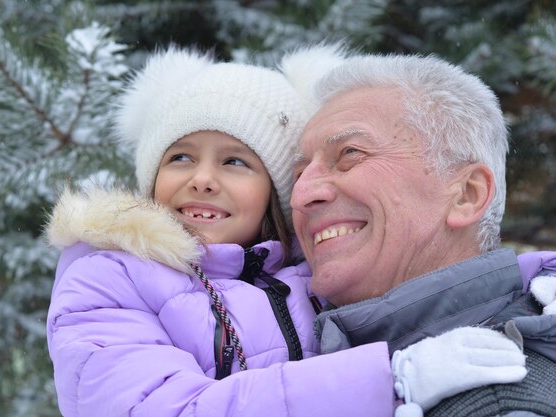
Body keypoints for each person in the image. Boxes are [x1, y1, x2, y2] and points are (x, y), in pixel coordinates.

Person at [44, 46, 528, 417]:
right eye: (180, 157)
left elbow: (434, 284)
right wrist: (390, 378)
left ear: (274, 195)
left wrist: (538, 275)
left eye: (235, 162)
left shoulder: (305, 277)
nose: (202, 178)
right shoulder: (108, 277)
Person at [289, 50, 556, 416]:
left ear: (466, 195)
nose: (301, 195)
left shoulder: (497, 403)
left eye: (350, 153)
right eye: (299, 174)